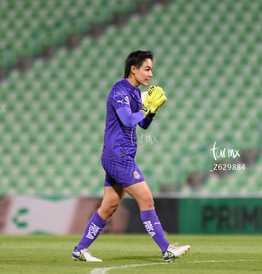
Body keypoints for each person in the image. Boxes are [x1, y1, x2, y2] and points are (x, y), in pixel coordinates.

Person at [71, 50, 190, 262]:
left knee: (109, 206)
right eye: (147, 69)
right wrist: (147, 108)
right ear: (133, 69)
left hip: (118, 156)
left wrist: (151, 111)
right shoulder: (120, 91)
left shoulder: (135, 93)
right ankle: (166, 249)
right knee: (146, 199)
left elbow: (142, 124)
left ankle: (80, 249)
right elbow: (127, 120)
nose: (150, 74)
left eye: (151, 69)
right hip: (119, 156)